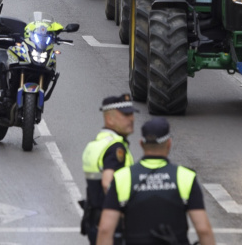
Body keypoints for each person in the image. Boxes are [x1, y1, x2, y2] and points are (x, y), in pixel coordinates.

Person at [98, 118, 215, 245]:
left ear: (141, 143)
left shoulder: (123, 177)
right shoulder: (185, 177)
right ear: (169, 143)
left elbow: (105, 230)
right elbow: (203, 230)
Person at [81, 94, 137, 245]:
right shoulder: (116, 148)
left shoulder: (97, 143)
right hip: (113, 224)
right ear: (109, 119)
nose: (131, 118)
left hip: (95, 220)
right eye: (125, 114)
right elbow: (107, 183)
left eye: (131, 113)